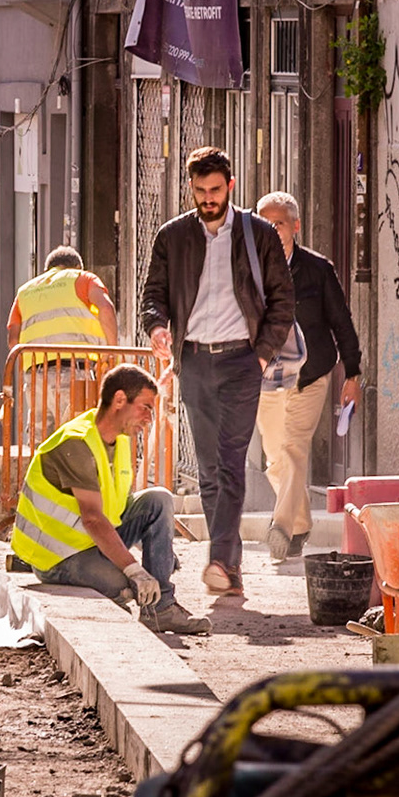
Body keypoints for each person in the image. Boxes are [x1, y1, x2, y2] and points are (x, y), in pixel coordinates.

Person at [140, 147, 294, 597]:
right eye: (200, 190)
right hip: (193, 362)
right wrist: (156, 326)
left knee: (230, 461)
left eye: (215, 190)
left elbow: (283, 300)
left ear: (230, 186)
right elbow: (153, 294)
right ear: (190, 189)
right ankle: (231, 566)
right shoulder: (172, 237)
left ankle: (220, 559)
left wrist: (261, 356)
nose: (208, 198)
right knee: (208, 469)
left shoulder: (258, 234)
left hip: (242, 361)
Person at [11, 364, 211, 636]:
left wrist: (158, 546)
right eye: (145, 407)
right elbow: (93, 519)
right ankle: (124, 608)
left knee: (159, 498)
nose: (149, 418)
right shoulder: (77, 443)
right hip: (58, 557)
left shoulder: (119, 440)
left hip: (93, 543)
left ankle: (161, 612)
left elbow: (117, 507)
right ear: (119, 400)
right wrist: (135, 569)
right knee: (126, 585)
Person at [252, 192, 362, 560]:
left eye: (279, 224)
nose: (272, 231)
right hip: (267, 379)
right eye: (264, 224)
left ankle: (282, 527)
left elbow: (341, 323)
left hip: (311, 375)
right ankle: (300, 524)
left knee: (293, 448)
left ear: (295, 226)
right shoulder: (248, 272)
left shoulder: (318, 269)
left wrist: (353, 374)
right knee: (275, 459)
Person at [7, 245, 120, 431]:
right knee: (75, 435)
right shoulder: (83, 278)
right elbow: (106, 309)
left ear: (48, 269)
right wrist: (111, 352)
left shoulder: (25, 291)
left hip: (35, 376)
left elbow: (13, 340)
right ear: (77, 266)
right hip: (72, 372)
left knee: (41, 440)